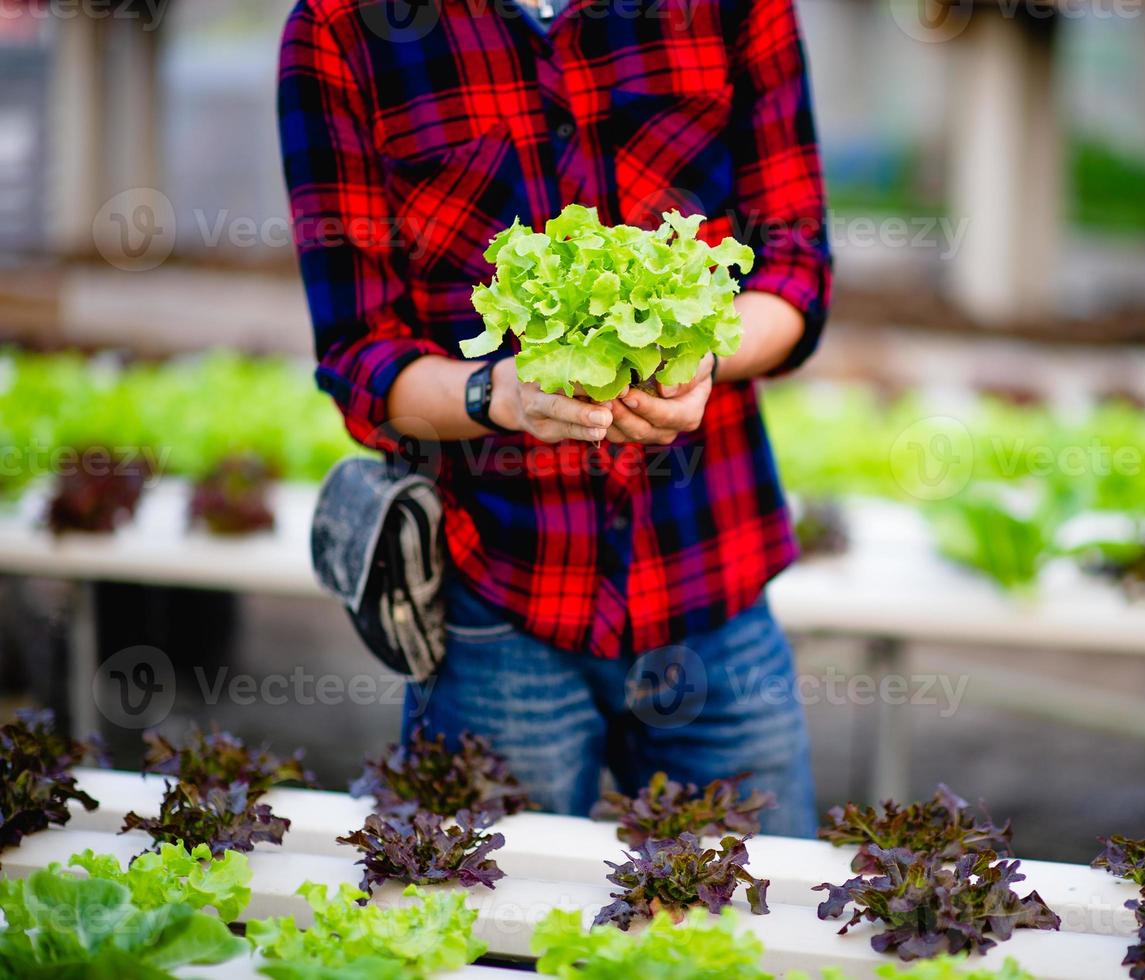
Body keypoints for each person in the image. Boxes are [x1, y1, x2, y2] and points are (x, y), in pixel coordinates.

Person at [277, 0, 831, 835]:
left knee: (762, 933)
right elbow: (360, 354)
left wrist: (701, 356)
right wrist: (497, 395)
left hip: (709, 575)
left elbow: (794, 271)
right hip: (496, 597)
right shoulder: (342, 26)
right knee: (492, 934)